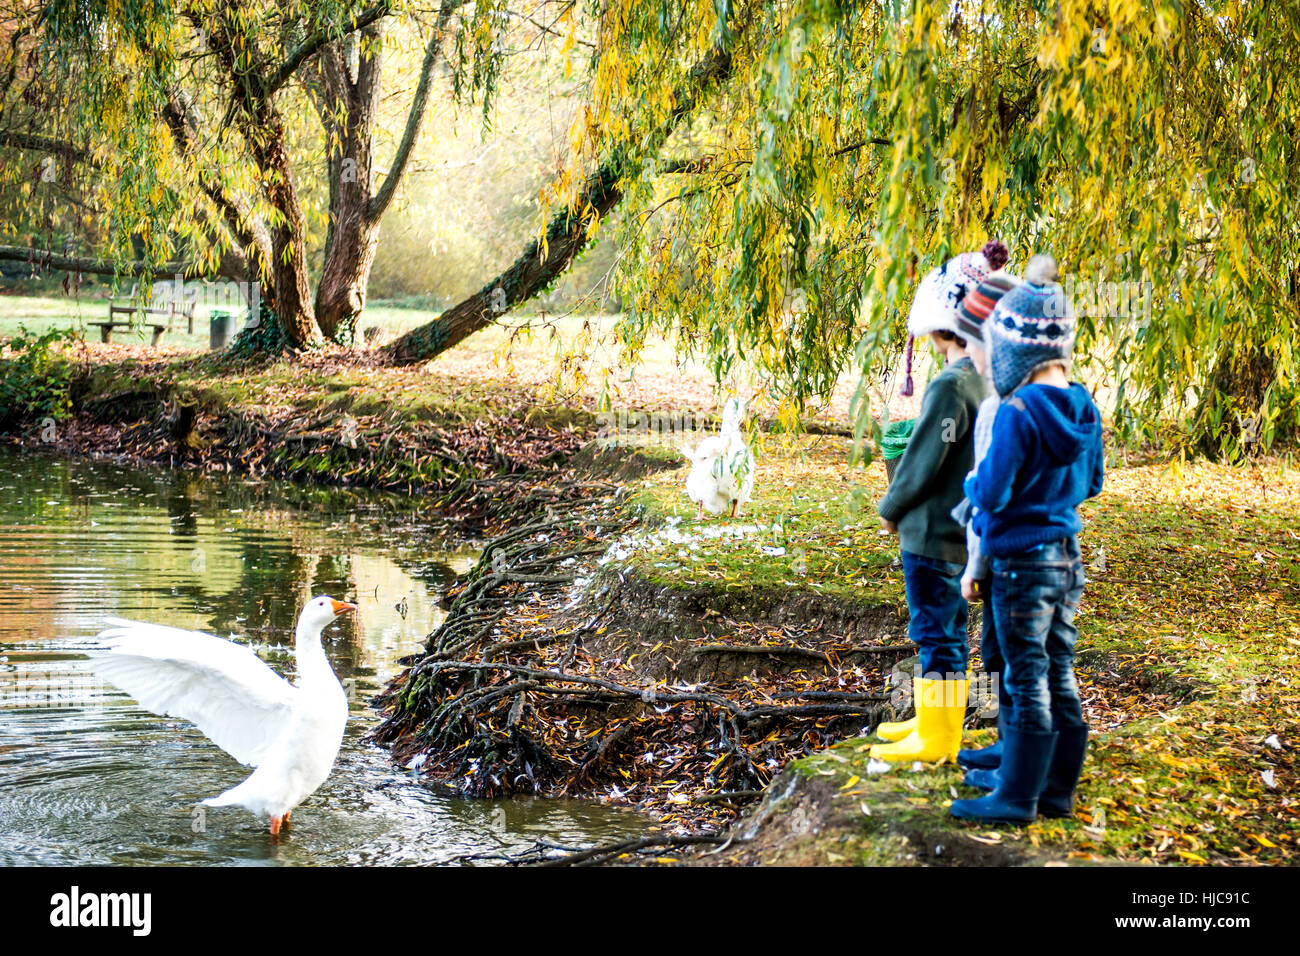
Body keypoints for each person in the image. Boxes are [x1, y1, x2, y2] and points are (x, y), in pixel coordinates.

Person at [950, 254, 1105, 824]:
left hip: (1021, 562)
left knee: (1024, 674)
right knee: (1058, 669)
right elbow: (1092, 483)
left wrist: (972, 481)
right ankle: (1055, 789)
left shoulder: (1016, 411)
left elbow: (990, 491)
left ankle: (1015, 798)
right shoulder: (1084, 405)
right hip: (1068, 556)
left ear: (1016, 350)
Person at [871, 241, 1006, 763]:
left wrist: (890, 507)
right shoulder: (986, 380)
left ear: (938, 328)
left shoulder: (950, 386)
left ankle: (939, 736)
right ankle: (933, 724)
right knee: (947, 629)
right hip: (963, 532)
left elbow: (924, 459)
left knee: (935, 630)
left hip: (930, 534)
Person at [947, 268, 1022, 778]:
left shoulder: (1003, 408)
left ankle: (1018, 758)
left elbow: (990, 494)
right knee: (996, 655)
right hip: (1003, 553)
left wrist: (975, 563)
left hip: (1003, 554)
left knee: (1013, 660)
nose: (967, 354)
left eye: (973, 343)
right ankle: (1005, 742)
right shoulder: (1003, 401)